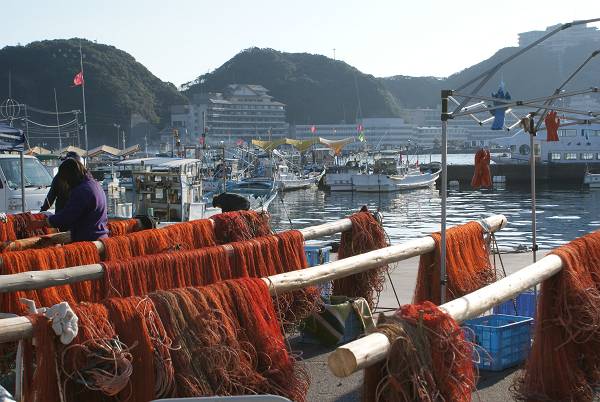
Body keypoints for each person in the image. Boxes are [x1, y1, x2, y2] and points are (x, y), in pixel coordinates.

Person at [30, 158, 108, 242]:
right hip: (100, 236)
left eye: (65, 179)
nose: (66, 183)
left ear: (70, 177)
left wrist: (43, 222)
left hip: (88, 240)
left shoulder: (82, 191)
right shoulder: (94, 184)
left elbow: (67, 216)